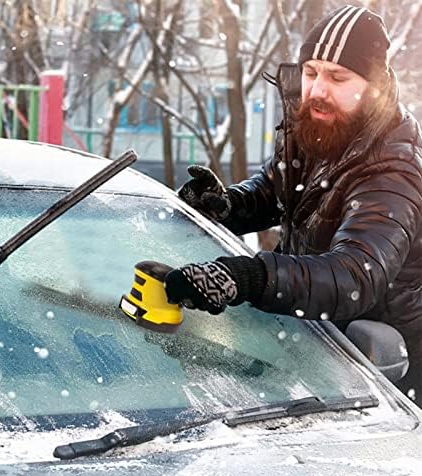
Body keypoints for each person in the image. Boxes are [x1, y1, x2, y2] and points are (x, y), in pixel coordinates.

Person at [164, 6, 422, 402]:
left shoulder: (393, 168)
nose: (317, 89)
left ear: (374, 87)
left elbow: (356, 275)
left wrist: (251, 277)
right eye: (311, 72)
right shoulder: (321, 125)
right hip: (317, 346)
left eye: (337, 77)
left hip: (386, 373)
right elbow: (276, 192)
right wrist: (227, 206)